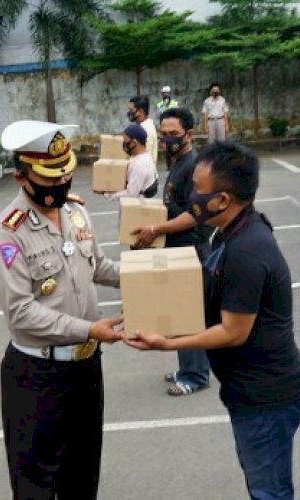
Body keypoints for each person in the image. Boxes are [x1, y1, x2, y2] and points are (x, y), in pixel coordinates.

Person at [125, 141, 300, 499]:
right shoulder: (231, 231)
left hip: (266, 395)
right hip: (248, 389)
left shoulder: (246, 250)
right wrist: (142, 304)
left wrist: (167, 343)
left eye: (198, 189)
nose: (190, 196)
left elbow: (232, 332)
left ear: (222, 200)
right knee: (261, 481)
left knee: (269, 490)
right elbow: (209, 291)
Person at [0, 120, 123, 499]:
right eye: (50, 178)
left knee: (83, 475)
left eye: (66, 174)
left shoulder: (75, 212)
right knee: (36, 483)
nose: (61, 183)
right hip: (37, 376)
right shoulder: (7, 234)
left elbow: (98, 266)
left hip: (86, 368)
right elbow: (21, 313)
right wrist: (89, 329)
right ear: (21, 177)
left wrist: (145, 277)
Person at [132, 107, 213, 396]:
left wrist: (155, 229)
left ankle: (196, 376)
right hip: (177, 246)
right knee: (179, 314)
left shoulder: (194, 166)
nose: (167, 139)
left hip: (190, 248)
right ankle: (188, 368)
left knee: (189, 315)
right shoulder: (178, 162)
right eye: (164, 134)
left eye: (173, 134)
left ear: (189, 134)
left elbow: (195, 215)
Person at [102, 123, 157, 201]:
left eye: (125, 141)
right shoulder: (140, 157)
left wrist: (108, 195)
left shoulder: (141, 164)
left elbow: (131, 193)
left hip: (136, 205)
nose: (123, 144)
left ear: (134, 142)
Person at [128, 95, 158, 168]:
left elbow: (144, 156)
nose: (129, 113)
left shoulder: (144, 130)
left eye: (131, 110)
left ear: (140, 112)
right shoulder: (145, 126)